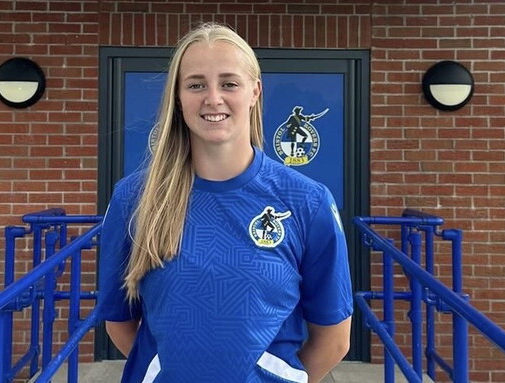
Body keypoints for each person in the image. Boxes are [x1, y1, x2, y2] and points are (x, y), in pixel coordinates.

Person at [97, 22, 353, 383]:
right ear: (178, 97)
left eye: (229, 83)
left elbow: (334, 337)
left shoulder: (306, 201)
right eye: (196, 84)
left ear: (255, 92)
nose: (213, 98)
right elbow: (120, 322)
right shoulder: (134, 198)